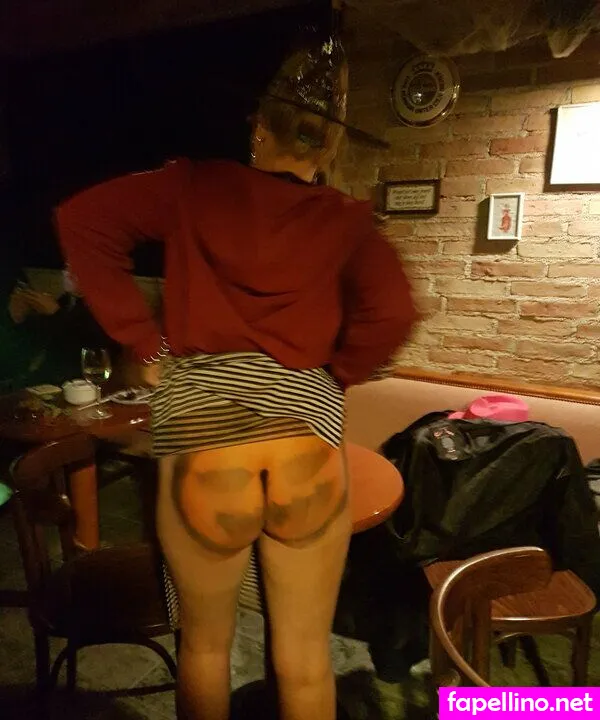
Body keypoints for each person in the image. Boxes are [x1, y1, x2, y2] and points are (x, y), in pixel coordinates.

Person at [55, 32, 417, 720]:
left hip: (204, 439)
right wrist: (336, 373)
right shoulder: (348, 224)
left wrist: (142, 339)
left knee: (204, 648)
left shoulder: (192, 188)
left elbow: (83, 221)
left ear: (258, 129)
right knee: (306, 661)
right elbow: (395, 311)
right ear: (329, 148)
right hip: (303, 439)